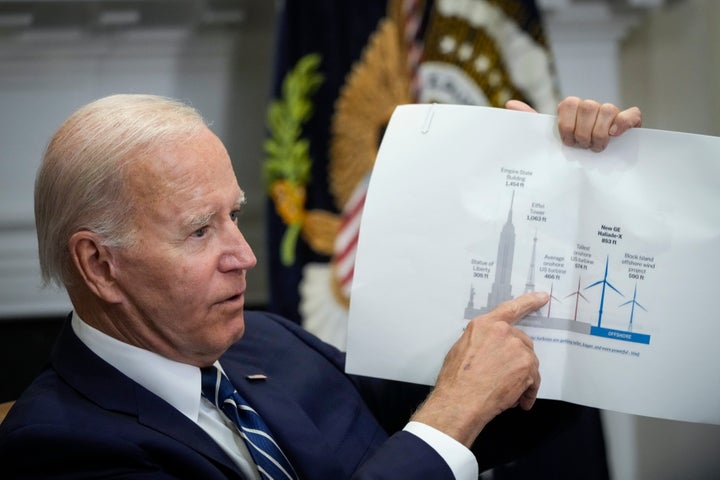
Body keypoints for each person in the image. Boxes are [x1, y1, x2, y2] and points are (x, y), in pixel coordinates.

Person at [0, 94, 641, 479]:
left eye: (234, 215)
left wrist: (570, 197)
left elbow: (487, 419)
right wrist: (451, 413)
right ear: (100, 265)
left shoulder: (268, 343)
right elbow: (445, 425)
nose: (245, 256)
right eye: (200, 231)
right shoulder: (58, 446)